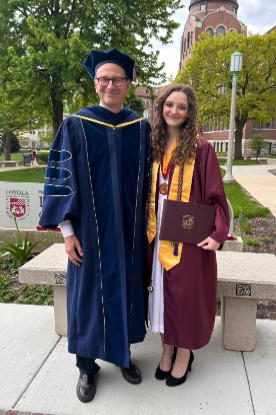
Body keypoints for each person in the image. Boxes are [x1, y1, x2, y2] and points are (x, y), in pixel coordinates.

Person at [39, 49, 151, 403]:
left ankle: (123, 356)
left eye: (117, 79)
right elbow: (60, 181)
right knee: (88, 299)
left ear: (128, 85)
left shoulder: (141, 127)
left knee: (128, 294)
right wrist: (68, 233)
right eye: (104, 79)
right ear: (95, 84)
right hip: (89, 233)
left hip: (130, 234)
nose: (110, 85)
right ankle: (87, 367)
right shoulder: (76, 124)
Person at [147, 84, 229, 387]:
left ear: (189, 111)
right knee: (160, 296)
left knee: (185, 297)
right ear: (161, 107)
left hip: (187, 236)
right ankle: (166, 348)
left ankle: (184, 353)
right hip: (157, 232)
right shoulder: (155, 145)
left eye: (181, 106)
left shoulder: (201, 147)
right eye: (170, 105)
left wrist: (218, 233)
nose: (174, 111)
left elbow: (215, 194)